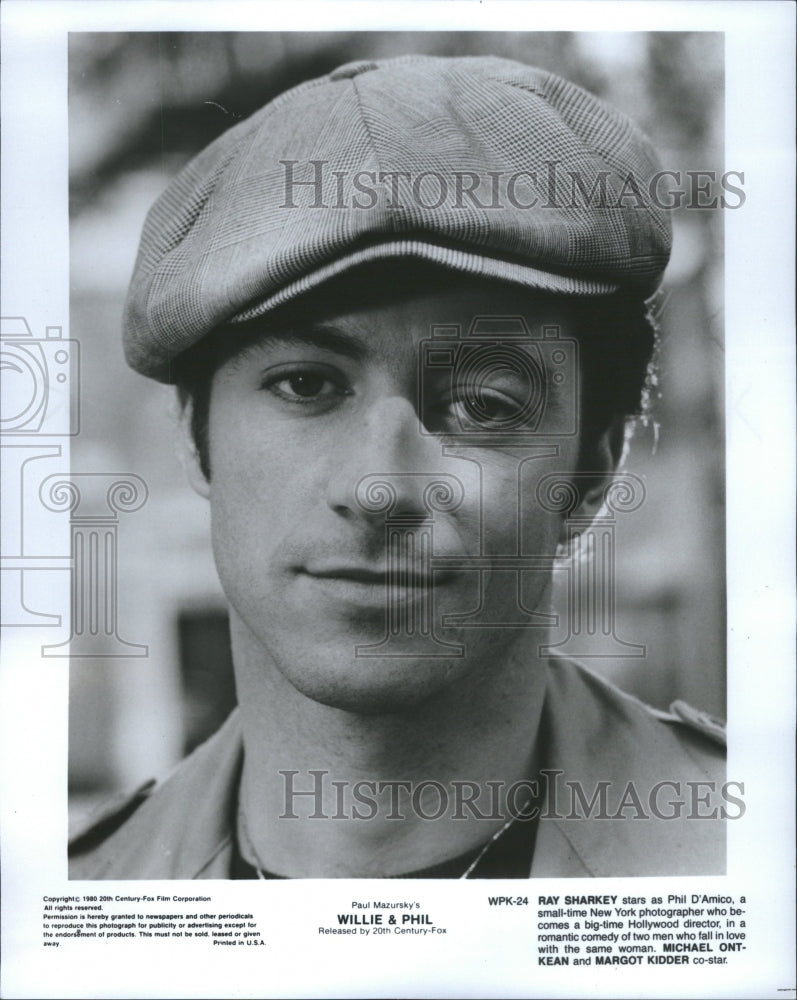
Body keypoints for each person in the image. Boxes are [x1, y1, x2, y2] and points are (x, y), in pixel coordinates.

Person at [69, 54, 727, 880]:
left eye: (482, 406)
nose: (379, 488)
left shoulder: (764, 874)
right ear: (195, 437)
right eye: (305, 385)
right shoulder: (68, 910)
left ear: (590, 474)